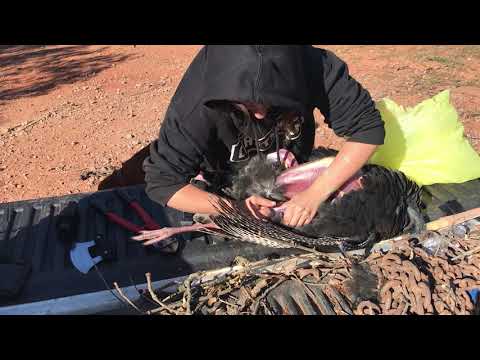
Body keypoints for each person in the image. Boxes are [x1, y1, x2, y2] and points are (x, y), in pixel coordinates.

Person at [143, 45, 385, 229]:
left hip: (289, 161)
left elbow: (367, 129)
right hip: (222, 176)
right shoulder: (196, 104)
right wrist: (235, 209)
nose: (260, 114)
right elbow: (164, 183)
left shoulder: (312, 65)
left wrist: (314, 194)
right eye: (246, 104)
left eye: (274, 102)